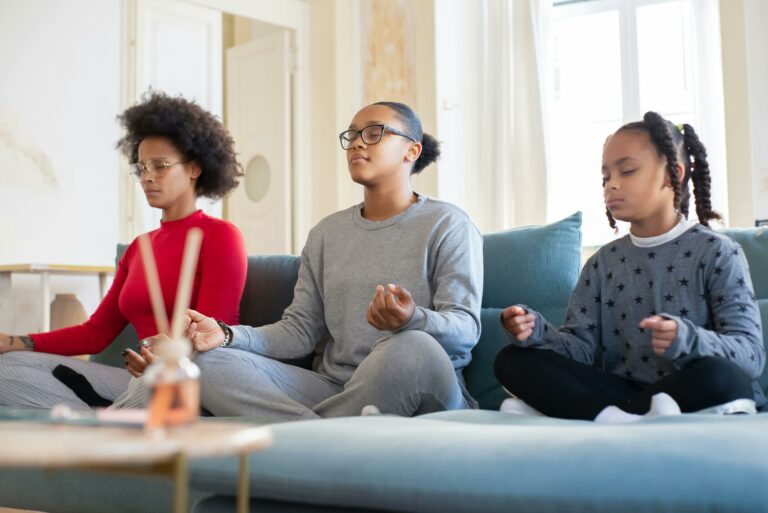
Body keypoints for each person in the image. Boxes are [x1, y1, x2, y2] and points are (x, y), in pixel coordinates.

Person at [184, 101, 483, 421]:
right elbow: (298, 332)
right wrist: (227, 335)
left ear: (411, 151)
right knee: (202, 362)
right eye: (352, 134)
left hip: (417, 379)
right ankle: (315, 435)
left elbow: (465, 329)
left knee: (410, 347)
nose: (356, 142)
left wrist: (412, 320)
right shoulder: (327, 233)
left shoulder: (448, 224)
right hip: (334, 387)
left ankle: (305, 433)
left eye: (373, 133)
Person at [494, 111, 765, 422]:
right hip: (622, 392)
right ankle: (623, 418)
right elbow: (581, 351)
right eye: (606, 177)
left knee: (722, 376)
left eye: (628, 171)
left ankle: (580, 412)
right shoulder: (601, 264)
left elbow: (751, 356)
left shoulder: (718, 252)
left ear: (672, 175)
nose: (612, 186)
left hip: (693, 388)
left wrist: (686, 340)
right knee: (512, 360)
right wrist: (536, 331)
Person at [0, 91, 248, 410]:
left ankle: (100, 422)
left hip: (188, 381)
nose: (147, 177)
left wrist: (166, 361)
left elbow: (214, 333)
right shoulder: (138, 249)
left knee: (147, 390)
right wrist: (17, 342)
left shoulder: (220, 236)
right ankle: (104, 423)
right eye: (141, 167)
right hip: (136, 382)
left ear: (195, 168)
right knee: (7, 371)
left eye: (160, 166)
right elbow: (96, 332)